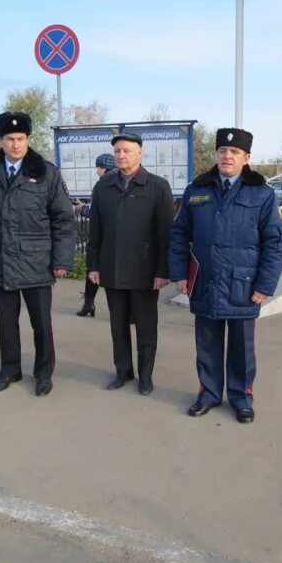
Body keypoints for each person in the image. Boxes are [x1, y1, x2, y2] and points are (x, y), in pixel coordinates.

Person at [169, 128, 282, 423]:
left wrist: (265, 284)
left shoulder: (263, 194)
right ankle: (208, 394)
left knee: (241, 348)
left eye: (234, 152)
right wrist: (180, 273)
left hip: (243, 285)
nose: (227, 156)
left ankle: (241, 398)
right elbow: (180, 233)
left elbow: (274, 242)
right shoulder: (197, 190)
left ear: (246, 158)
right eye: (222, 150)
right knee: (206, 344)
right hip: (205, 280)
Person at [0, 111, 76, 396]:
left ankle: (43, 373)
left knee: (42, 324)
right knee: (6, 323)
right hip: (1, 259)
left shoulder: (45, 171)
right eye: (10, 139)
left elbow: (63, 219)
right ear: (0, 140)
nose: (16, 144)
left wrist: (61, 260)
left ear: (28, 139)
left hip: (37, 261)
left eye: (21, 138)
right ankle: (9, 370)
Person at [87, 132, 174, 395]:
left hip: (145, 272)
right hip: (112, 270)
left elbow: (165, 233)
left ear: (140, 153)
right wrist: (93, 266)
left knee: (146, 327)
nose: (121, 155)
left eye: (126, 150)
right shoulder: (104, 187)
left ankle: (145, 376)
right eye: (117, 152)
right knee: (118, 325)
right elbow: (95, 232)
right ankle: (123, 372)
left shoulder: (157, 186)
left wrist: (162, 271)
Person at [76, 152, 115, 317]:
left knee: (94, 269)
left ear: (103, 168)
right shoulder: (124, 181)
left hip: (103, 237)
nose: (96, 171)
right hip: (122, 238)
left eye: (97, 168)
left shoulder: (104, 184)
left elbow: (98, 211)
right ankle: (131, 313)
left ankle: (89, 304)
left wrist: (82, 208)